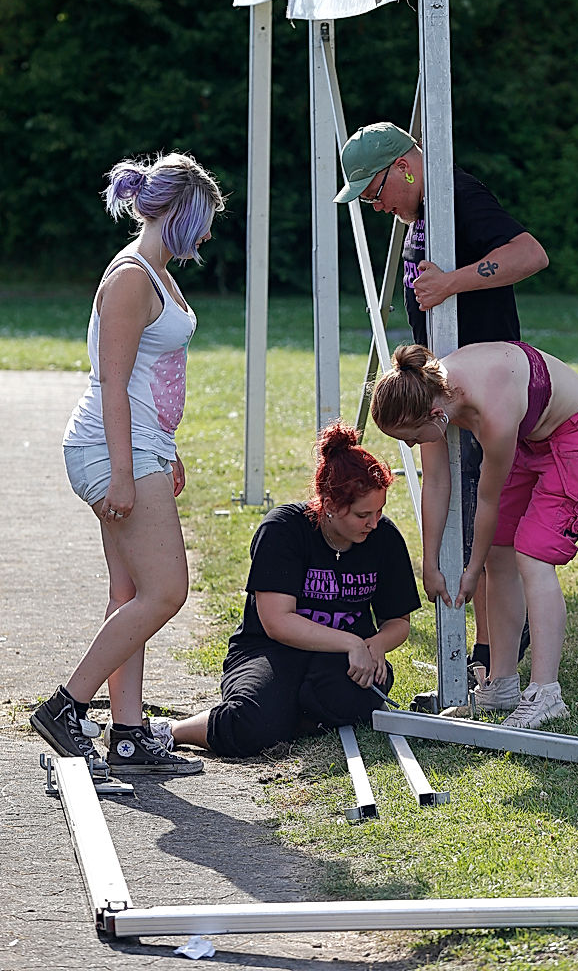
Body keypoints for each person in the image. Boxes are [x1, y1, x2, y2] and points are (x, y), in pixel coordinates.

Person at [31, 151, 225, 776]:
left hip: (142, 445)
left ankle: (129, 734)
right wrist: (123, 470)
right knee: (167, 591)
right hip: (113, 447)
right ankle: (66, 706)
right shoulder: (130, 279)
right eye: (203, 218)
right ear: (177, 212)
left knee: (130, 591)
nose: (208, 233)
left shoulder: (160, 275)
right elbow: (112, 383)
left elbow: (153, 378)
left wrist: (168, 449)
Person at [334, 122, 549, 675]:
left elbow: (530, 254)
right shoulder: (422, 214)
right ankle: (478, 651)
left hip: (484, 393)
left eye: (376, 191)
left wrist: (455, 281)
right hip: (441, 390)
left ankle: (494, 650)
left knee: (488, 517)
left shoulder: (457, 196)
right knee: (447, 493)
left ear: (404, 166)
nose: (376, 206)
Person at [370, 342, 578, 729]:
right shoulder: (428, 392)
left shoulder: (492, 413)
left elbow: (489, 500)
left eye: (413, 438)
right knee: (501, 552)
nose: (411, 445)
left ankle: (545, 692)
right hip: (533, 440)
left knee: (532, 556)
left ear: (435, 416)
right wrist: (430, 563)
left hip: (577, 434)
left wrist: (472, 569)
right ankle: (501, 683)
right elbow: (435, 483)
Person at [147, 422, 421, 759]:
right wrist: (352, 642)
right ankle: (173, 730)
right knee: (250, 725)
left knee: (348, 700)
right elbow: (277, 622)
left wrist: (377, 645)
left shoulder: (384, 537)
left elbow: (399, 621)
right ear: (331, 505)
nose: (374, 523)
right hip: (270, 648)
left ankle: (288, 713)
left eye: (379, 511)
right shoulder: (284, 528)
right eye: (364, 514)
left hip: (342, 658)